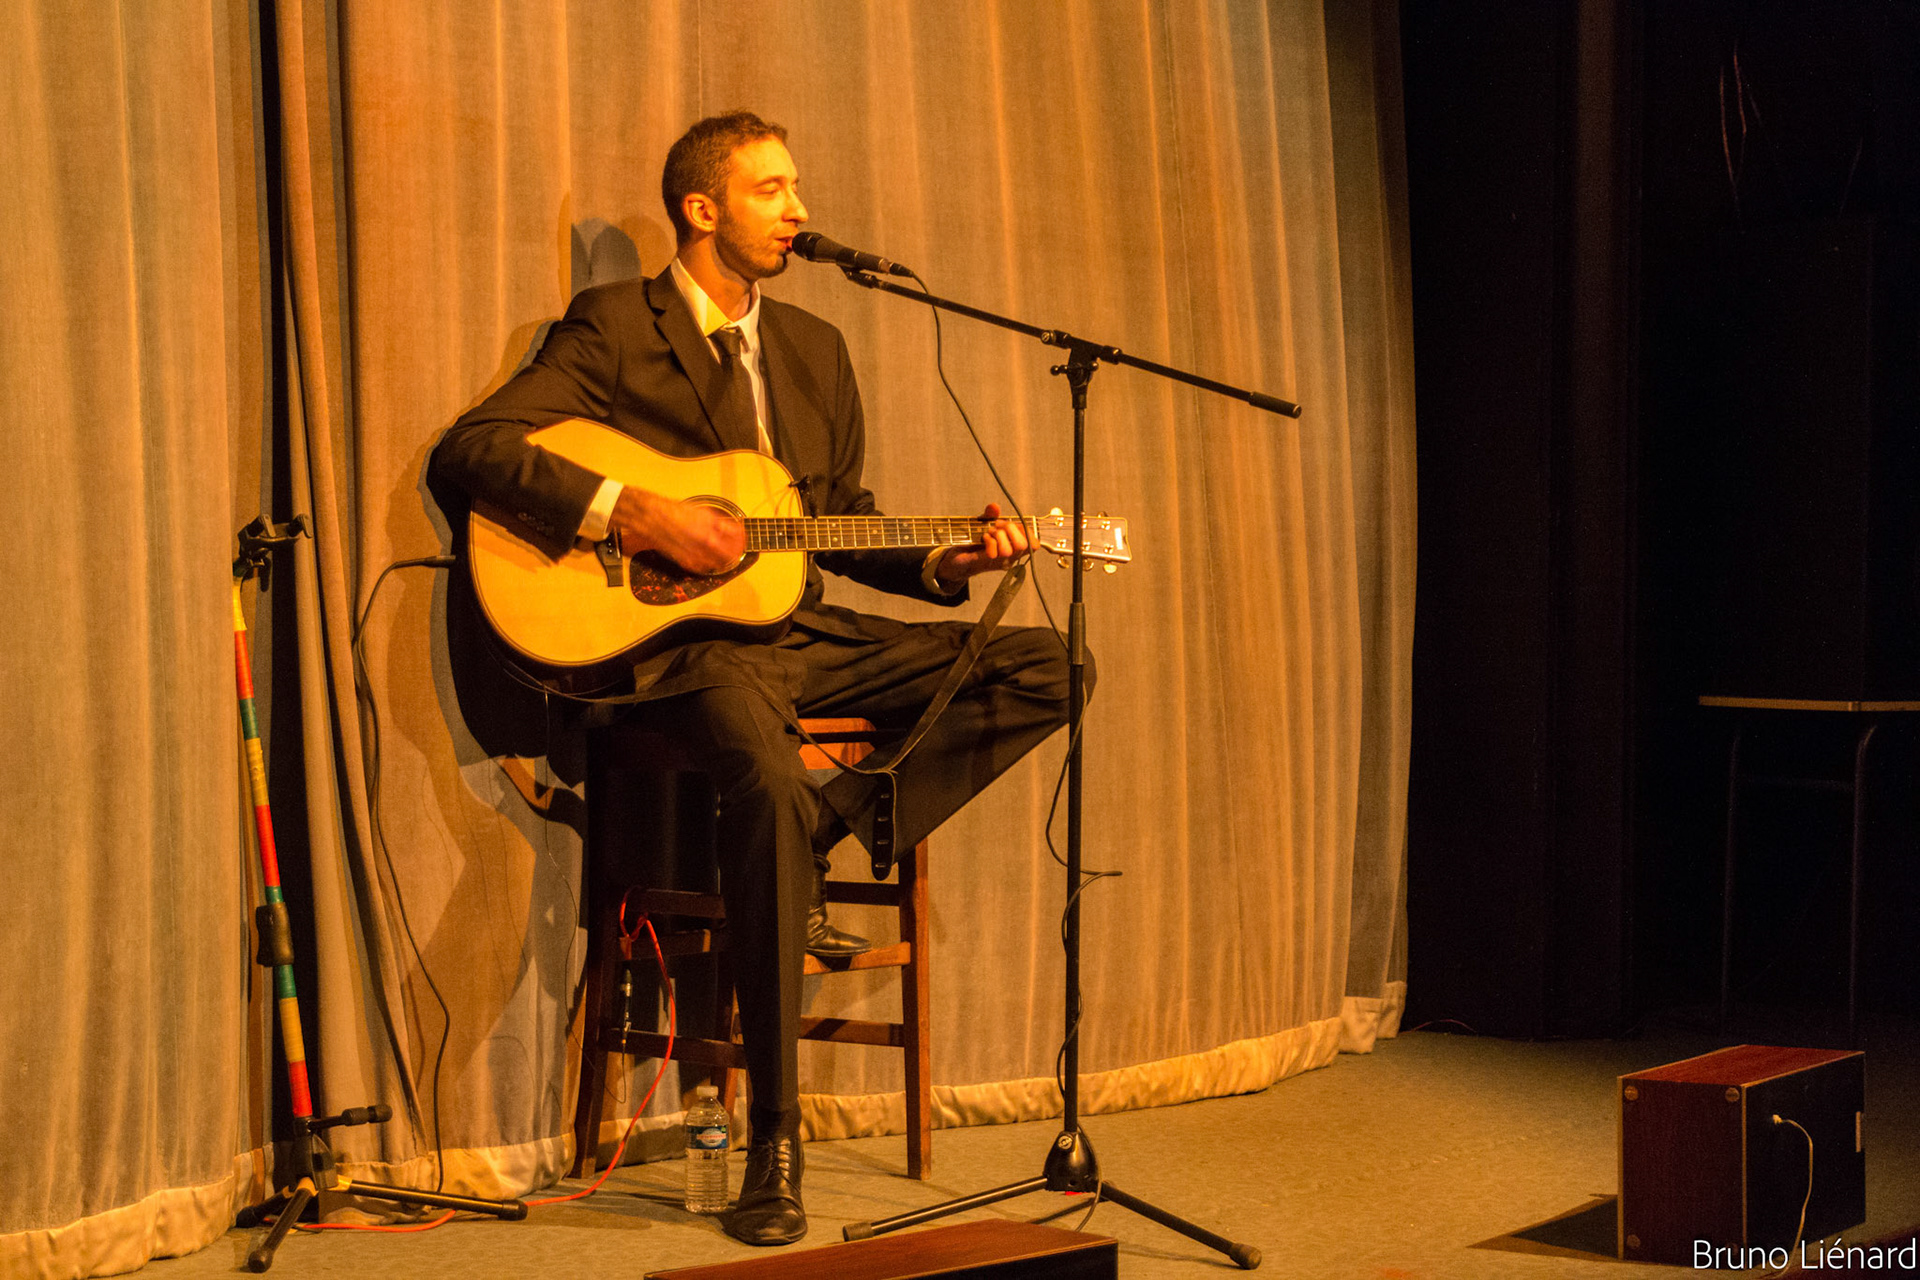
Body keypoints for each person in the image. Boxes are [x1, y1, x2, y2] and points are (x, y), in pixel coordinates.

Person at [429, 112, 1084, 1246]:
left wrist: (949, 562)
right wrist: (638, 512)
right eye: (771, 188)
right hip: (688, 651)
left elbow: (840, 522)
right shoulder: (616, 325)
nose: (798, 209)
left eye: (796, 187)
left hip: (802, 630)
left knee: (1050, 662)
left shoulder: (816, 348)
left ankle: (834, 820)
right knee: (768, 781)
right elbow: (474, 449)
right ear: (702, 209)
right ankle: (773, 1140)